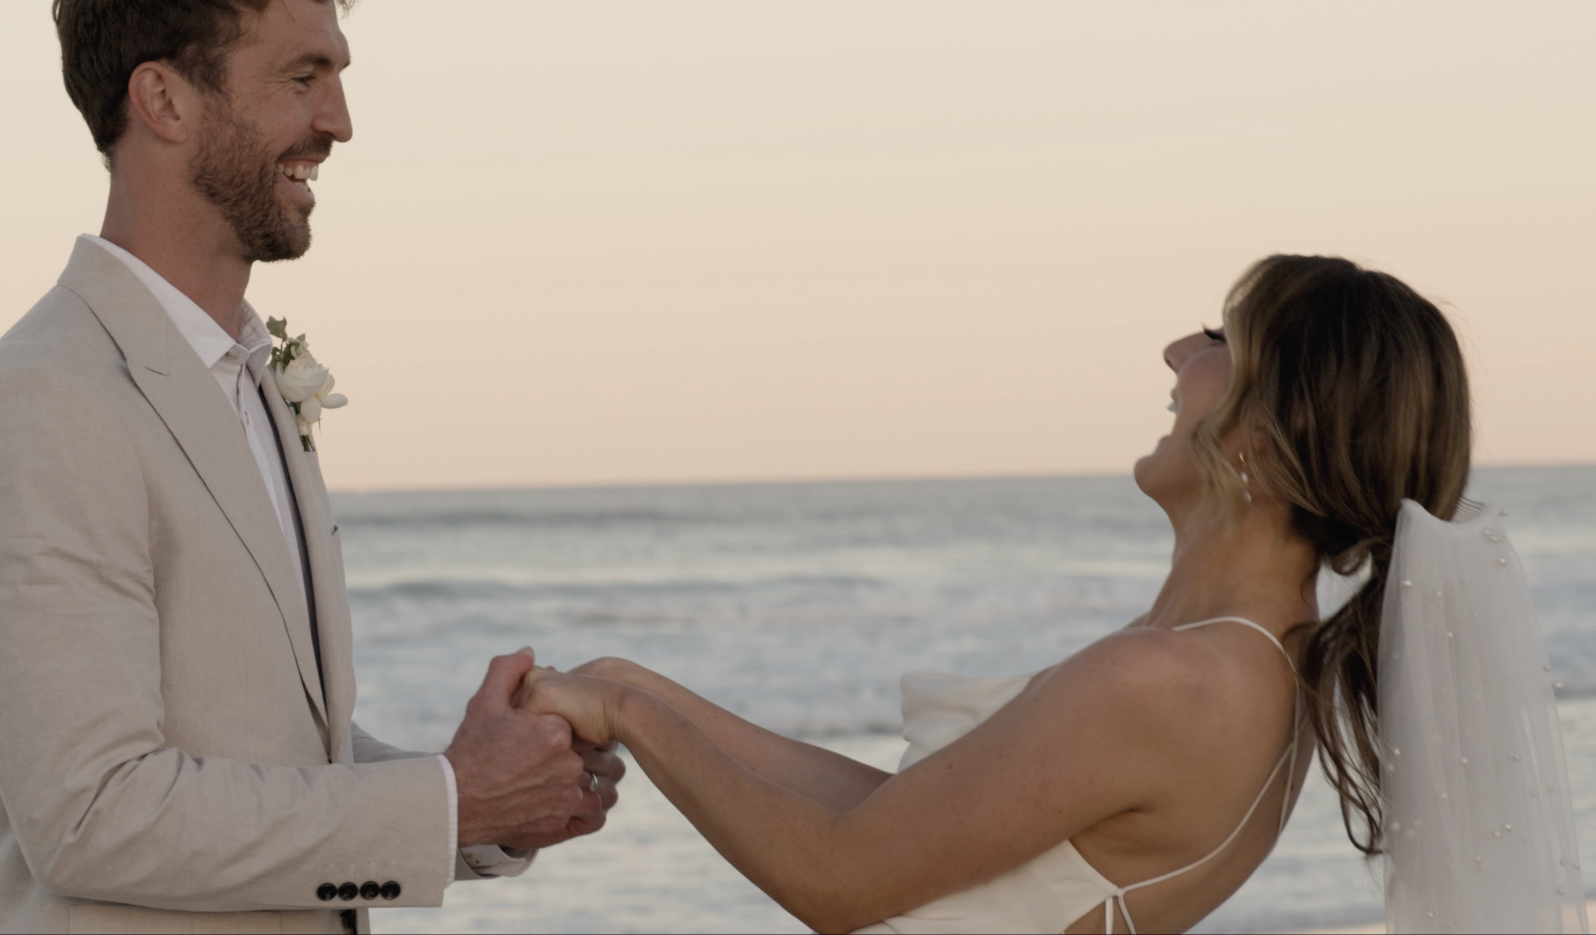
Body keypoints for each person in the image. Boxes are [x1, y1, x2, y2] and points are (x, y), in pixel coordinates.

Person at [0, 0, 621, 934]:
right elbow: (94, 814)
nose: (337, 123)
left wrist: (482, 806)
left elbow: (269, 762)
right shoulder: (41, 405)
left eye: (336, 78)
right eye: (301, 78)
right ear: (163, 98)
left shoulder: (248, 380)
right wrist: (451, 797)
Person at [520, 255, 1584, 933]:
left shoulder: (1176, 681)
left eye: (1218, 339)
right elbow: (900, 824)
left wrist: (631, 717)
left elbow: (839, 881)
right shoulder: (1222, 657)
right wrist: (626, 682)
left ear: (1264, 431)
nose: (1177, 351)